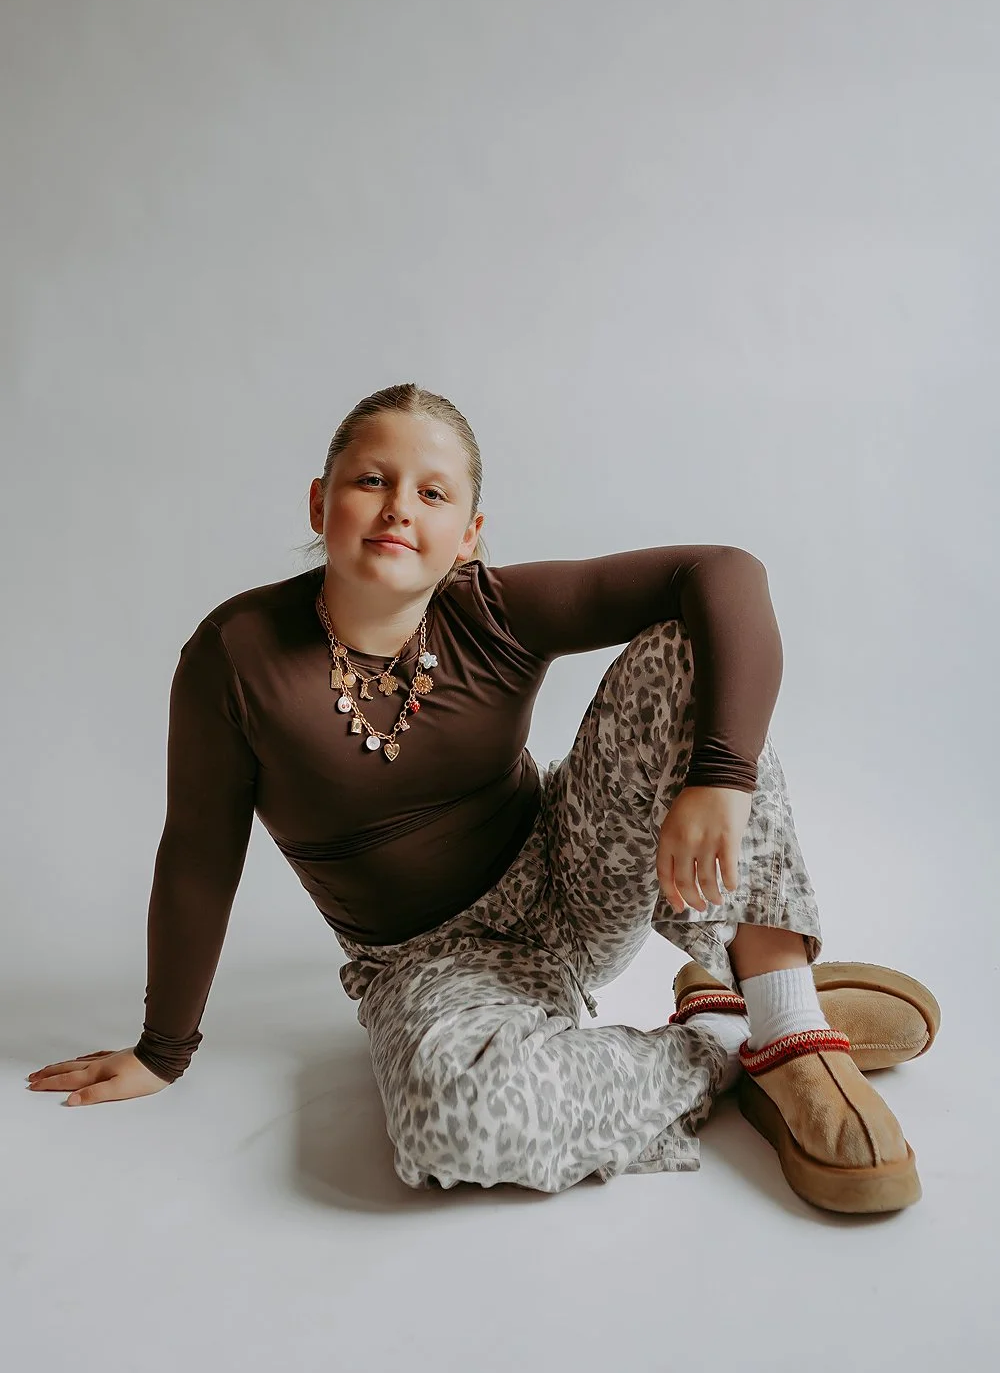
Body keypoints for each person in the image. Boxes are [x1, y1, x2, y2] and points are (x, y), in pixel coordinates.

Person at [26, 384, 940, 1213]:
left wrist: (721, 777)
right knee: (454, 1128)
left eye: (432, 493)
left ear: (467, 535)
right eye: (371, 480)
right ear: (319, 502)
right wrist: (161, 1049)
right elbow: (197, 853)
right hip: (423, 961)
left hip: (569, 877)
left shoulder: (487, 611)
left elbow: (723, 573)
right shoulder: (237, 657)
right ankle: (724, 1041)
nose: (397, 508)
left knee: (683, 651)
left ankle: (791, 1022)